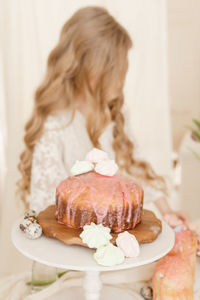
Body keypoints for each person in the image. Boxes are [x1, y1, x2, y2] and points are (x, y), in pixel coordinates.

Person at [17, 6, 192, 298]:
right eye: (116, 68)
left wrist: (167, 211)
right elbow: (45, 204)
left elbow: (133, 171)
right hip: (70, 259)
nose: (122, 77)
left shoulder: (112, 112)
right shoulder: (56, 124)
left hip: (113, 250)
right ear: (91, 68)